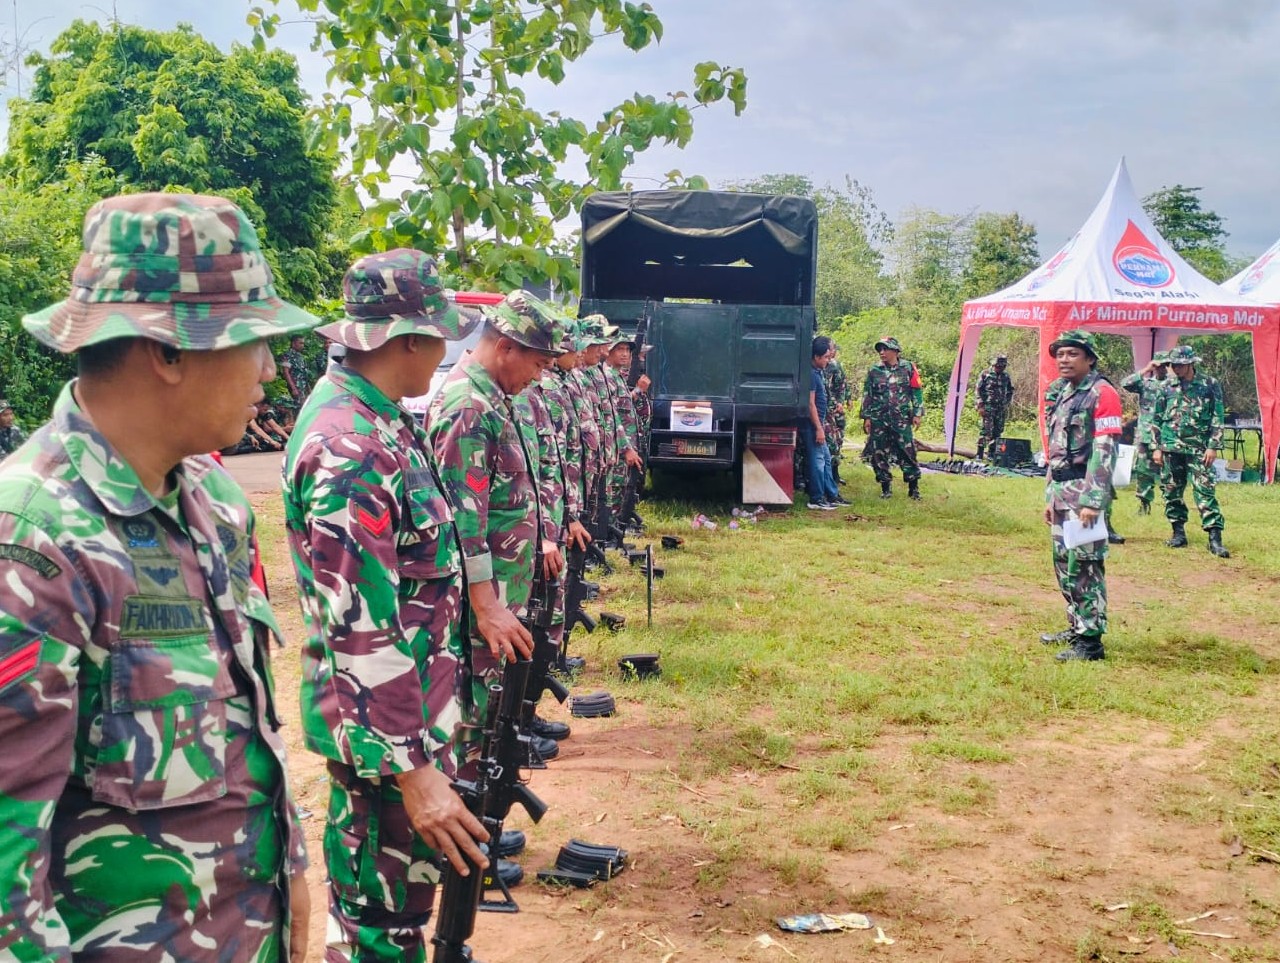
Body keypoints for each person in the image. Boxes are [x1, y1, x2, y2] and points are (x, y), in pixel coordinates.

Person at [0, 192, 314, 960]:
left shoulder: (213, 503)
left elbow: (247, 742)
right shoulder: (31, 542)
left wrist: (298, 874)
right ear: (169, 351)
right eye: (253, 340)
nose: (270, 370)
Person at [282, 249, 498, 962]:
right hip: (385, 754)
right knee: (380, 934)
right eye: (439, 335)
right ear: (406, 340)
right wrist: (414, 770)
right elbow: (359, 630)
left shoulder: (379, 418)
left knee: (397, 925)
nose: (445, 350)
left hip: (406, 730)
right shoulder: (349, 444)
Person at [427, 292, 565, 759]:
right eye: (538, 364)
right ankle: (470, 810)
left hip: (503, 587)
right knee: (473, 711)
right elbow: (463, 523)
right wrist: (486, 606)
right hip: (480, 600)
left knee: (492, 704)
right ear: (506, 347)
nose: (539, 376)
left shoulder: (493, 398)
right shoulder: (468, 407)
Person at [1039, 330, 1122, 662]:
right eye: (1060, 354)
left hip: (1084, 495)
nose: (1064, 360)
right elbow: (1055, 450)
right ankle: (1077, 625)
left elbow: (1105, 451)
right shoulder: (1064, 393)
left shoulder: (1103, 394)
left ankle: (1091, 642)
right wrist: (1050, 495)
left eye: (1072, 354)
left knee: (1085, 566)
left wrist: (1092, 500)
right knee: (1063, 563)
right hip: (1062, 492)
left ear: (1090, 358)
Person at [1151, 345, 1230, 558]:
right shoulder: (1166, 386)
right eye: (1173, 364)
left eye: (1180, 365)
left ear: (1191, 363)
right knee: (1171, 491)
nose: (1175, 368)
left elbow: (1217, 416)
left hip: (1198, 448)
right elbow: (1156, 418)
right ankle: (1178, 533)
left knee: (1204, 490)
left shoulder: (1209, 384)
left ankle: (1215, 538)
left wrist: (1213, 445)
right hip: (1170, 446)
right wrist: (1156, 447)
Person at [861, 336, 924, 499]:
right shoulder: (874, 370)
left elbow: (917, 391)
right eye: (879, 349)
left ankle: (913, 487)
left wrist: (917, 413)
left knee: (907, 451)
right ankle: (885, 487)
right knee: (879, 453)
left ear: (895, 351)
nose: (881, 352)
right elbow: (868, 394)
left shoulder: (908, 368)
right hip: (879, 418)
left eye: (885, 349)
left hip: (901, 419)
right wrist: (866, 417)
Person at [1120, 351, 1171, 514]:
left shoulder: (1174, 385)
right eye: (1159, 366)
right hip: (1146, 435)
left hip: (1167, 435)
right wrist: (1146, 369)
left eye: (1165, 365)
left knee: (1169, 472)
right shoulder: (1146, 384)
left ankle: (1170, 505)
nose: (1161, 369)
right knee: (1143, 471)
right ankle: (1144, 504)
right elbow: (1125, 384)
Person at [801, 335, 841, 510]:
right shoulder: (811, 374)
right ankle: (816, 499)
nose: (827, 360)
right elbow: (811, 404)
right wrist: (819, 428)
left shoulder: (818, 372)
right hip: (813, 426)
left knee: (825, 458)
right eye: (825, 357)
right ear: (816, 357)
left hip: (819, 424)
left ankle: (831, 495)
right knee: (817, 461)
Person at [975, 354, 1013, 461]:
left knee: (997, 431)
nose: (1000, 368)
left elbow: (1010, 390)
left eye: (1002, 366)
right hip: (988, 407)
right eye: (998, 366)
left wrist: (1007, 402)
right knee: (985, 430)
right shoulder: (985, 374)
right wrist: (980, 405)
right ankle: (979, 454)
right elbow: (978, 390)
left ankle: (991, 453)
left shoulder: (1006, 376)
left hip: (1000, 408)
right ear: (994, 365)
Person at [822, 343, 852, 483]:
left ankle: (835, 473)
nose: (832, 352)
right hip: (823, 408)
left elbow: (841, 385)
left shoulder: (834, 366)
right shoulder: (816, 366)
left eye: (833, 350)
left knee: (837, 440)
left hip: (834, 409)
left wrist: (842, 401)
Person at [280, 332, 314, 408]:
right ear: (293, 343)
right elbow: (286, 372)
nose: (303, 345)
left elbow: (304, 374)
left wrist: (309, 389)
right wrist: (293, 388)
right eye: (300, 343)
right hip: (296, 387)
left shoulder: (300, 356)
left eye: (303, 343)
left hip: (304, 387)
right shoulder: (288, 355)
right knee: (299, 408)